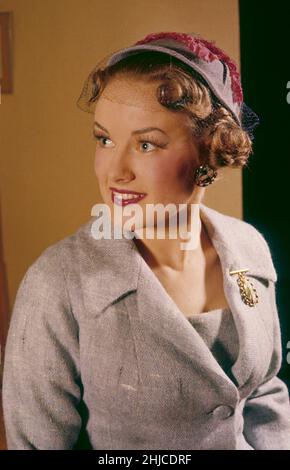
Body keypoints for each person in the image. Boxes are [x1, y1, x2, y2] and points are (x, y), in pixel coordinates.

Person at [2, 31, 290, 450]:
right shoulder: (57, 282)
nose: (114, 170)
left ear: (211, 150)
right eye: (104, 139)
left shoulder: (248, 247)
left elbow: (264, 392)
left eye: (146, 144)